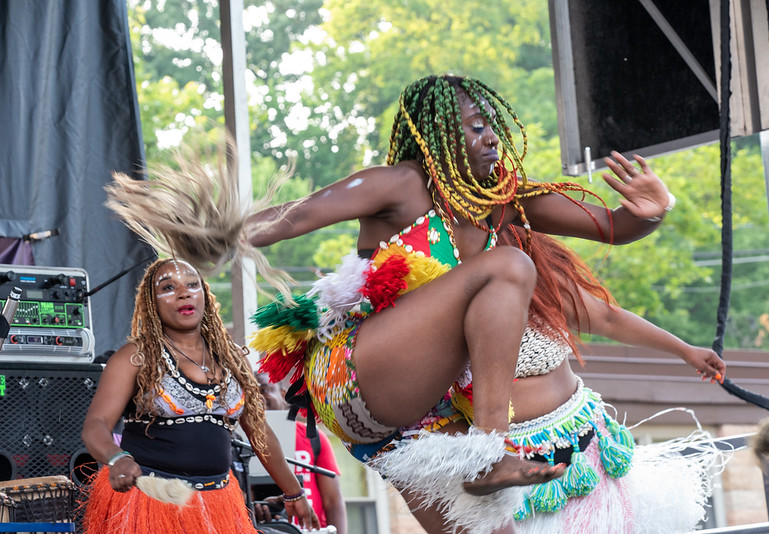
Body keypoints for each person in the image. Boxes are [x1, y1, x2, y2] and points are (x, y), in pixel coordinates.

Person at [244, 74, 678, 533]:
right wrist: (212, 234)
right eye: (475, 127)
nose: (491, 136)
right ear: (438, 134)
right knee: (509, 265)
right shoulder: (400, 185)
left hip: (422, 414)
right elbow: (299, 215)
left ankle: (483, 458)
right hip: (354, 373)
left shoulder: (497, 200)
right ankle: (489, 451)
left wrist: (654, 210)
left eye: (491, 125)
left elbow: (614, 226)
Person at [422, 226, 727, 533]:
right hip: (507, 467)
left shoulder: (530, 268)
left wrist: (685, 350)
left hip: (585, 444)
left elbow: (608, 318)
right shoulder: (431, 279)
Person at [80, 258, 319, 533]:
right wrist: (116, 458)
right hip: (151, 501)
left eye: (192, 285)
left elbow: (259, 432)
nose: (184, 293)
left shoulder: (232, 359)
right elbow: (95, 424)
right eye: (168, 287)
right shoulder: (134, 358)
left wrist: (294, 492)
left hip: (219, 502)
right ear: (151, 302)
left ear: (204, 294)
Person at [256, 373, 348, 533]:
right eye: (252, 392)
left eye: (264, 390)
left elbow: (333, 501)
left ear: (283, 394)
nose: (258, 398)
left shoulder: (312, 436)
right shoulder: (242, 443)